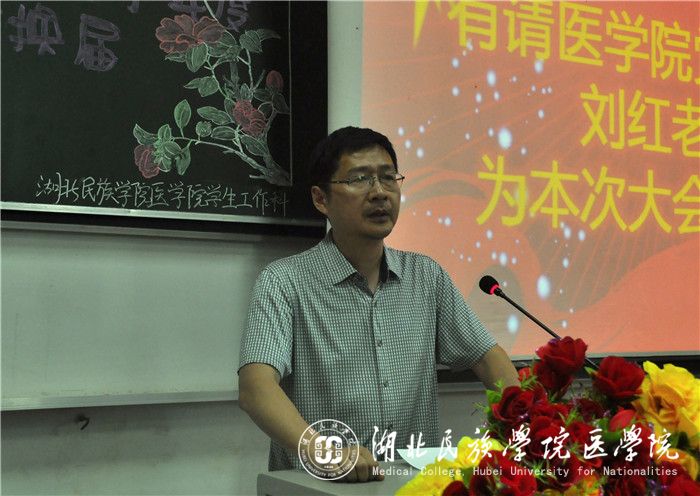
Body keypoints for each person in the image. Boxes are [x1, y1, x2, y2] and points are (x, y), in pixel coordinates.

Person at [238, 126, 519, 482]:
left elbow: (488, 358)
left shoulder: (426, 276)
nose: (379, 193)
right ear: (321, 199)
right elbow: (256, 388)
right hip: (322, 486)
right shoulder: (284, 282)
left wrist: (527, 428)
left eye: (388, 178)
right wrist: (324, 453)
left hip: (414, 485)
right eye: (360, 179)